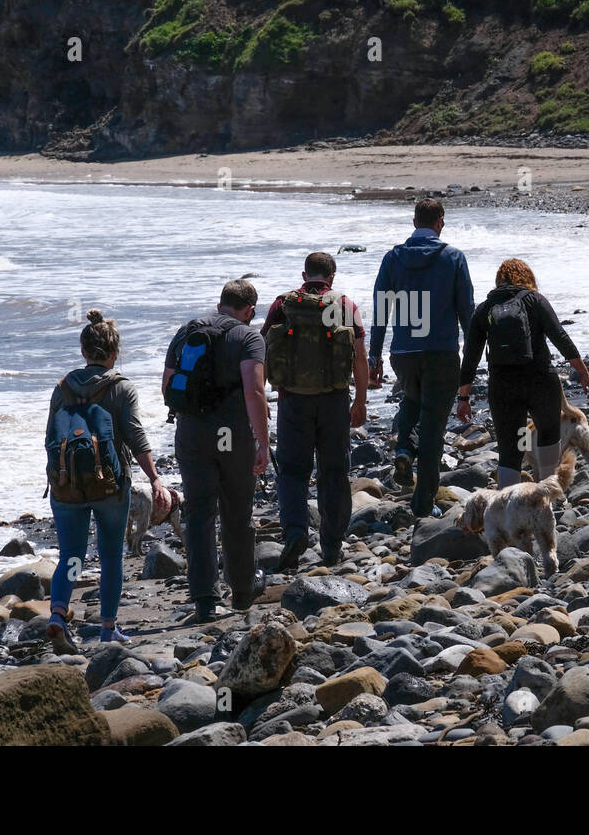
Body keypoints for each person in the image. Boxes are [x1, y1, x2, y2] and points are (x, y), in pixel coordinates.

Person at [44, 309, 170, 646]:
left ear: (83, 352)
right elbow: (136, 438)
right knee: (111, 554)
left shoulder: (63, 387)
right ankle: (107, 628)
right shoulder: (121, 387)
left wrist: (57, 478)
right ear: (115, 353)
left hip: (67, 485)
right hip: (110, 485)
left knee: (71, 555)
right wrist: (155, 479)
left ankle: (58, 613)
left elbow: (50, 439)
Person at [163, 280, 270, 622]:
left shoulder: (187, 332)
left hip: (192, 433)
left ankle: (205, 600)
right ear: (250, 310)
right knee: (236, 511)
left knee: (198, 514)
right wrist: (264, 442)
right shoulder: (249, 338)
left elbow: (167, 387)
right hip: (231, 434)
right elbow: (254, 392)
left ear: (221, 302)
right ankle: (241, 591)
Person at [368, 197, 475, 521]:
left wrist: (374, 355)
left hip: (403, 353)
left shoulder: (393, 258)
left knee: (412, 402)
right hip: (441, 351)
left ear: (414, 222)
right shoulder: (453, 257)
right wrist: (472, 356)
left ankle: (403, 450)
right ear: (439, 222)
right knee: (433, 428)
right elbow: (466, 311)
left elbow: (381, 307)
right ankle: (422, 504)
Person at [261, 251, 368, 570]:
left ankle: (295, 532)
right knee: (334, 472)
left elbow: (263, 350)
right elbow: (359, 356)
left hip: (292, 400)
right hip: (334, 399)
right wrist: (360, 400)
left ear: (304, 274)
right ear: (331, 277)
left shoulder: (283, 304)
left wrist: (260, 397)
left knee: (293, 472)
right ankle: (332, 545)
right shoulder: (344, 304)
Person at [456, 258, 589, 486]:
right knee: (548, 437)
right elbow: (560, 337)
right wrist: (583, 372)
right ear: (527, 278)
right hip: (540, 381)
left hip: (503, 387)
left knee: (511, 450)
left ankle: (507, 509)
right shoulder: (535, 300)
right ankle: (548, 499)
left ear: (499, 281)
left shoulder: (484, 309)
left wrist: (463, 398)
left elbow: (470, 357)